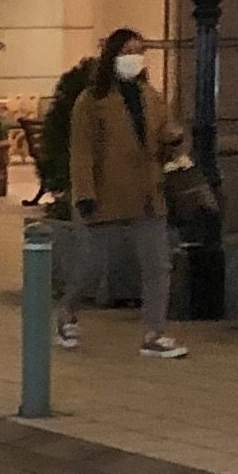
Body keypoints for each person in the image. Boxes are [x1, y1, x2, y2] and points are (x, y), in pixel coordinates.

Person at [58, 24, 190, 360]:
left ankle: (154, 333)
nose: (134, 58)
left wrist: (173, 139)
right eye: (127, 51)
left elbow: (164, 137)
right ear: (112, 56)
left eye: (139, 52)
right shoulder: (92, 101)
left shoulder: (151, 97)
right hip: (107, 195)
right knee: (93, 264)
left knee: (158, 266)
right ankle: (68, 312)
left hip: (148, 193)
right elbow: (82, 151)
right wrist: (85, 194)